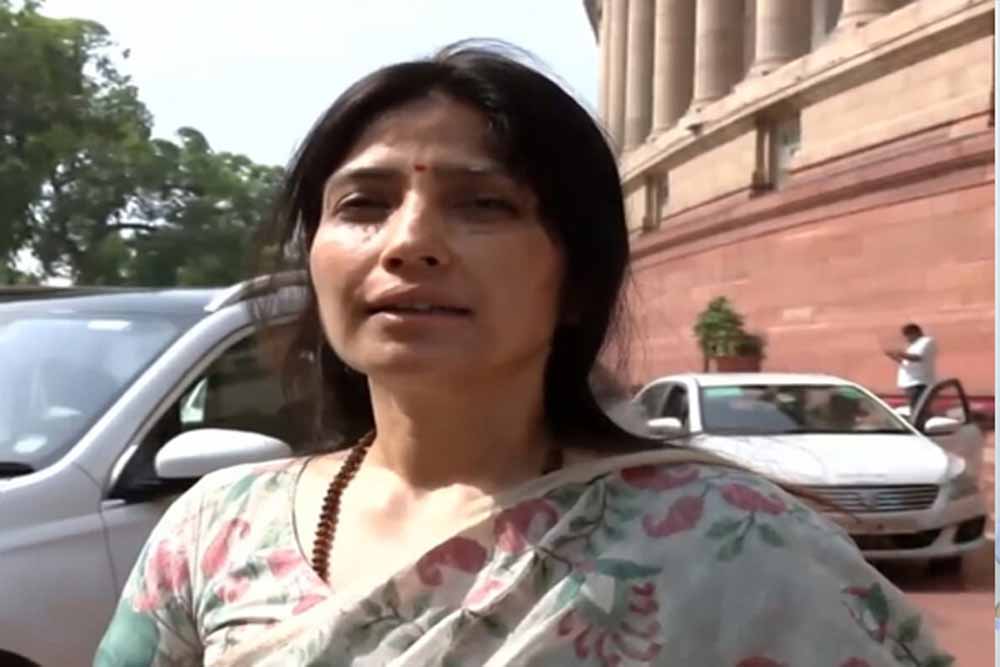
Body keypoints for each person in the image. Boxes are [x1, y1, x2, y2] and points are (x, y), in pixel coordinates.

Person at [94, 42, 951, 666]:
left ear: (578, 276)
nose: (408, 242)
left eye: (484, 205)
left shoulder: (731, 541)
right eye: (364, 204)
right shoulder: (214, 530)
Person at [884, 323, 937, 410]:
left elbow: (917, 358)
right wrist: (894, 357)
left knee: (919, 409)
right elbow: (906, 363)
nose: (906, 338)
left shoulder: (926, 341)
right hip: (910, 383)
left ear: (914, 333)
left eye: (907, 335)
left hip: (918, 383)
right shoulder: (913, 346)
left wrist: (900, 353)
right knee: (916, 409)